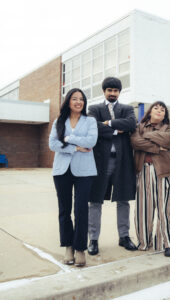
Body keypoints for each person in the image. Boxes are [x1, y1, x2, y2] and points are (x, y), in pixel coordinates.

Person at [87, 77, 137, 255]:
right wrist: (117, 129)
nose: (112, 93)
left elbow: (131, 124)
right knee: (95, 200)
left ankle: (124, 236)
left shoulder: (127, 108)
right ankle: (93, 239)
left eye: (115, 90)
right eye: (109, 90)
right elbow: (93, 127)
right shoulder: (94, 109)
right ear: (104, 91)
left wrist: (107, 124)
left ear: (119, 92)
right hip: (101, 161)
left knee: (123, 199)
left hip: (122, 160)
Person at [49, 88, 98, 267]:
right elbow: (53, 144)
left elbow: (92, 141)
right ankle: (68, 246)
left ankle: (80, 249)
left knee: (81, 210)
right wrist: (75, 147)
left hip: (84, 171)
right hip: (61, 171)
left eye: (82, 99)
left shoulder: (90, 121)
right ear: (68, 101)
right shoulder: (58, 121)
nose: (78, 102)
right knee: (64, 210)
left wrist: (69, 137)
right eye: (75, 99)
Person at [131, 101, 170, 257]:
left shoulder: (169, 128)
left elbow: (169, 140)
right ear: (150, 111)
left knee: (165, 210)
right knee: (143, 209)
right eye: (156, 108)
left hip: (164, 172)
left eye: (163, 109)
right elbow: (135, 142)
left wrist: (148, 136)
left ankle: (167, 243)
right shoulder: (139, 127)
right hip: (143, 170)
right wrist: (157, 147)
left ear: (165, 115)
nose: (159, 111)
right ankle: (144, 242)